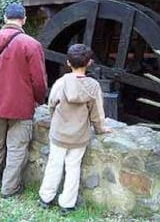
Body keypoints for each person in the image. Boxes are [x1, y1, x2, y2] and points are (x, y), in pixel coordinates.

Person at [0, 2, 47, 198]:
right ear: (23, 20)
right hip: (21, 107)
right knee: (16, 148)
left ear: (5, 18)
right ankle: (9, 188)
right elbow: (39, 81)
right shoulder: (32, 45)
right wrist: (38, 100)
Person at [38, 43, 111, 215]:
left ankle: (46, 198)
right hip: (79, 136)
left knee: (54, 165)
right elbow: (97, 114)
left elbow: (51, 105)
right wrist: (101, 129)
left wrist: (55, 119)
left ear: (68, 63)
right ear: (90, 63)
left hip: (59, 133)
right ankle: (67, 203)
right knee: (73, 168)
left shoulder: (61, 83)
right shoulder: (93, 86)